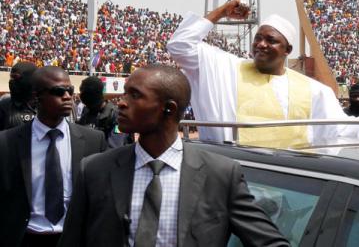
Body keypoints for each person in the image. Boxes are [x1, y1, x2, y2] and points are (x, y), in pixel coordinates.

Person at [58, 65, 289, 247]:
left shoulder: (221, 175)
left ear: (168, 108)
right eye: (124, 93)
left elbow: (269, 241)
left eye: (135, 95)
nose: (121, 102)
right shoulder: (94, 170)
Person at [167, 0, 359, 147]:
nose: (261, 44)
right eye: (258, 38)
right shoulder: (225, 68)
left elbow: (338, 129)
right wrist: (222, 12)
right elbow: (179, 45)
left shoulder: (314, 90)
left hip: (288, 186)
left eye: (271, 40)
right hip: (230, 174)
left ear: (288, 50)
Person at [0, 66, 107, 247]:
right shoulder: (6, 142)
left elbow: (100, 198)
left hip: (73, 239)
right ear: (36, 97)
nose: (67, 96)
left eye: (70, 90)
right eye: (58, 91)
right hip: (23, 239)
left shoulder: (93, 141)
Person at [77, 76, 132, 148]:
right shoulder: (86, 115)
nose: (82, 97)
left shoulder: (116, 116)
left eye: (85, 94)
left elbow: (114, 147)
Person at [0, 61, 37, 131]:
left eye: (16, 78)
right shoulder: (4, 104)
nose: (11, 82)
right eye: (11, 78)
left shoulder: (46, 106)